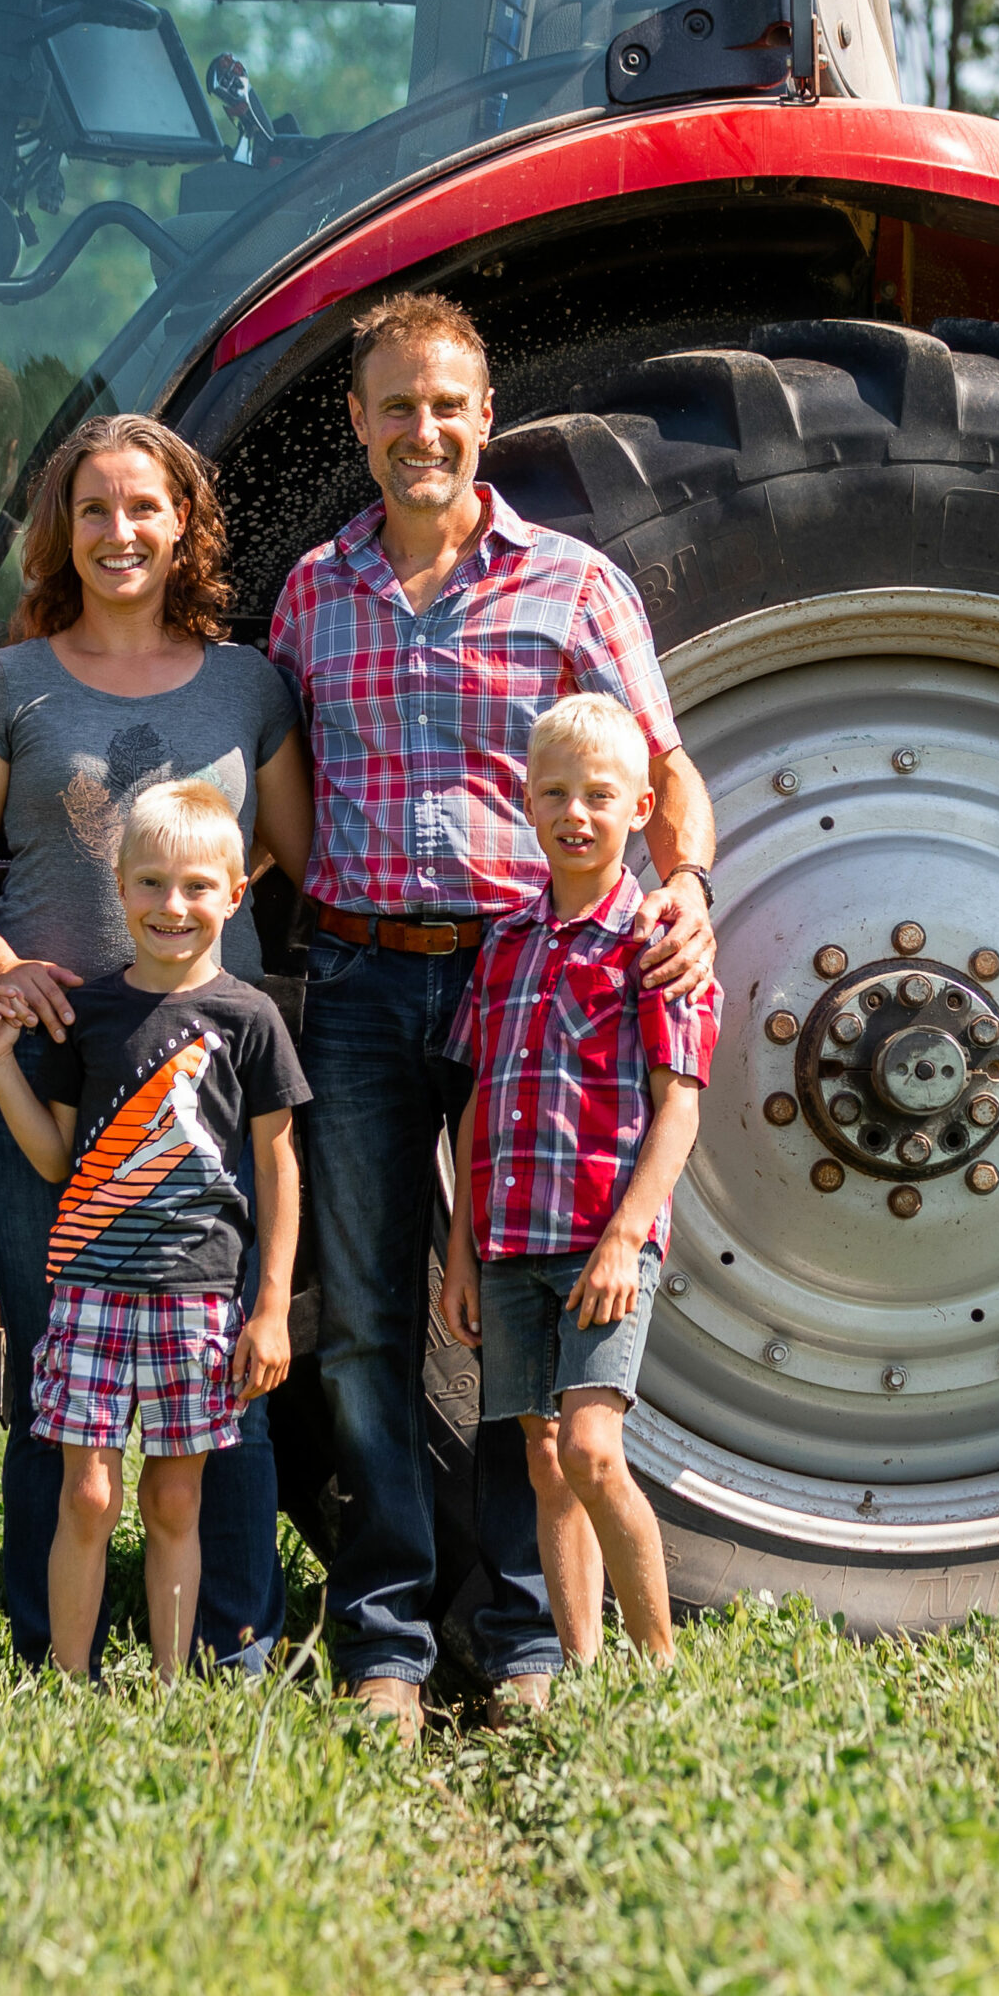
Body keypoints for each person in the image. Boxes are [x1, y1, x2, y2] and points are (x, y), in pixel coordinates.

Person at [268, 289, 718, 1745]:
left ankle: (528, 1635)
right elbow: (276, 799)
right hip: (356, 976)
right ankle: (389, 1636)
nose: (424, 431)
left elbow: (660, 768)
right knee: (368, 1322)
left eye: (449, 404)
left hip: (534, 979)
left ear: (485, 417)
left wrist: (689, 885)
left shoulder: (574, 584)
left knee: (523, 1318)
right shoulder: (311, 593)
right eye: (396, 405)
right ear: (359, 419)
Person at [0, 412, 313, 1677]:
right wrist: (0, 969)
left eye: (143, 507)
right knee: (54, 1365)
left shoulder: (248, 685)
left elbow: (294, 864)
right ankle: (55, 1647)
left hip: (205, 1077)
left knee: (219, 1367)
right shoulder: (12, 683)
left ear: (183, 522)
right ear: (61, 531)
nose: (118, 532)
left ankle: (228, 1640)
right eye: (93, 509)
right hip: (43, 1066)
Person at [0, 780, 306, 1681]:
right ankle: (67, 1681)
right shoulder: (98, 1013)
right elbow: (58, 1158)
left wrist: (269, 1309)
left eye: (197, 886)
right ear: (118, 887)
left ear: (237, 893)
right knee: (87, 1491)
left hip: (199, 1297)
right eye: (150, 883)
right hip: (89, 1294)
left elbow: (278, 1169)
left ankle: (167, 1681)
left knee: (176, 1498)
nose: (172, 905)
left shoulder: (251, 1018)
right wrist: (0, 1070)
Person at [438, 694, 720, 1677]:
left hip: (604, 1243)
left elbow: (676, 1109)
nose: (576, 814)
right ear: (526, 801)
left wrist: (622, 1240)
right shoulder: (505, 945)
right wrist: (462, 1255)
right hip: (510, 1243)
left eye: (600, 795)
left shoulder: (657, 945)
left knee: (593, 1451)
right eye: (554, 792)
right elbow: (477, 1103)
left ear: (640, 808)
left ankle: (656, 1667)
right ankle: (579, 1664)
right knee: (545, 1459)